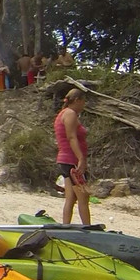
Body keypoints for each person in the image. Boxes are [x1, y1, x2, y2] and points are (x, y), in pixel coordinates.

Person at [54, 88, 90, 224]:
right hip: (71, 159)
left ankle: (65, 226)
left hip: (65, 159)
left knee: (71, 197)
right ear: (77, 100)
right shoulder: (70, 114)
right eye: (83, 102)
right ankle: (87, 228)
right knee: (83, 196)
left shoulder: (63, 113)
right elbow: (71, 137)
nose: (83, 105)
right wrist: (81, 158)